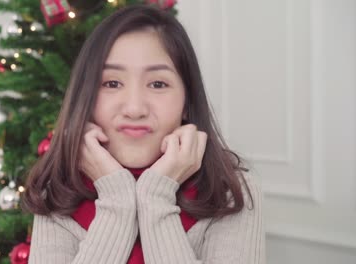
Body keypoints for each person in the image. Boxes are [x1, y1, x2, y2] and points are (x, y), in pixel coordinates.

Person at [22, 5, 265, 264]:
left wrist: (156, 196)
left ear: (187, 101)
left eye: (158, 84)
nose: (135, 108)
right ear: (87, 97)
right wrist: (117, 198)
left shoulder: (230, 189)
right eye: (112, 83)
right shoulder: (59, 189)